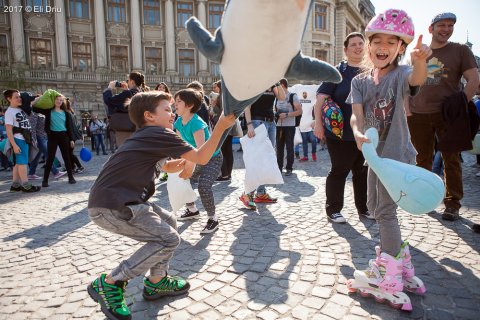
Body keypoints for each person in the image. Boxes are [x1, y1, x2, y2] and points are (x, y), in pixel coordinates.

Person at [86, 91, 235, 320]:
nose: (172, 113)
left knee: (169, 221)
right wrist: (221, 126)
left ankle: (156, 281)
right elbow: (203, 158)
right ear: (149, 116)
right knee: (168, 239)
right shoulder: (157, 133)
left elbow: (170, 167)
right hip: (112, 206)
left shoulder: (147, 136)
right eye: (167, 109)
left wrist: (187, 161)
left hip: (119, 200)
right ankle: (111, 281)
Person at [347, 9, 431, 309]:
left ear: (400, 48)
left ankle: (390, 275)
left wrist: (421, 62)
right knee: (372, 207)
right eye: (377, 40)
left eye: (391, 42)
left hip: (396, 156)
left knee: (384, 212)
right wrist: (357, 133)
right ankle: (401, 261)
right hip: (374, 155)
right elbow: (356, 116)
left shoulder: (401, 74)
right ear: (369, 45)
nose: (383, 46)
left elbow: (416, 77)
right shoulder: (360, 82)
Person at [407, 12, 480, 221]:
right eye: (441, 25)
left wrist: (460, 105)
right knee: (422, 159)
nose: (446, 29)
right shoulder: (418, 52)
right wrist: (407, 108)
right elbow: (407, 82)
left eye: (450, 25)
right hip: (418, 113)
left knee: (451, 159)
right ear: (431, 28)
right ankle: (424, 198)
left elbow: (474, 79)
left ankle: (452, 203)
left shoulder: (460, 50)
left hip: (447, 115)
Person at [315, 32, 372, 223]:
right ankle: (333, 209)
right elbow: (320, 99)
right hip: (340, 134)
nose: (358, 47)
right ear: (346, 49)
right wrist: (318, 124)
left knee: (362, 172)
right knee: (339, 170)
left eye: (361, 44)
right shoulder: (337, 72)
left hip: (366, 133)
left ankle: (364, 209)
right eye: (353, 44)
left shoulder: (372, 71)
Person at [174, 89, 224, 234]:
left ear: (189, 105)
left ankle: (213, 219)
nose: (175, 104)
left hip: (211, 158)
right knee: (183, 180)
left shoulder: (196, 123)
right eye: (175, 101)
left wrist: (188, 163)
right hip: (195, 157)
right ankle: (192, 209)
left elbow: (201, 151)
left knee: (203, 186)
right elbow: (180, 145)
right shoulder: (178, 122)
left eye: (179, 102)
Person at [239, 84, 285, 209]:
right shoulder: (255, 82)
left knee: (266, 160)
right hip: (257, 123)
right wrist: (249, 125)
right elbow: (246, 105)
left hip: (271, 123)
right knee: (256, 160)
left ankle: (260, 193)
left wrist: (277, 81)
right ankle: (247, 194)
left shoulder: (272, 83)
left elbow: (282, 97)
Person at [34, 95, 76, 187]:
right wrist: (39, 98)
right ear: (53, 101)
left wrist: (71, 139)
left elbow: (69, 128)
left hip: (64, 136)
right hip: (53, 136)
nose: (59, 101)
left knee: (66, 157)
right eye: (57, 100)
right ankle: (45, 181)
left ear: (63, 102)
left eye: (61, 100)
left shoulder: (66, 113)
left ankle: (71, 177)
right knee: (50, 158)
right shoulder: (48, 111)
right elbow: (35, 108)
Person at [3, 89, 41, 192]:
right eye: (16, 97)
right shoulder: (9, 112)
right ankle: (26, 185)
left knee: (19, 163)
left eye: (19, 96)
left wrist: (42, 97)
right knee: (23, 163)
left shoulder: (21, 109)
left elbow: (32, 101)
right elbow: (9, 130)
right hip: (19, 139)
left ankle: (15, 185)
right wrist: (14, 145)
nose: (19, 99)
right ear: (9, 99)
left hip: (25, 139)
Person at [103, 72, 146, 146]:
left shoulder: (127, 94)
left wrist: (109, 88)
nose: (127, 82)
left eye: (128, 81)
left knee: (125, 150)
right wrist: (126, 90)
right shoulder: (142, 93)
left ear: (132, 82)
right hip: (137, 128)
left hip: (125, 129)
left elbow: (109, 101)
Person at [275, 78, 302, 176]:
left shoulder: (292, 96)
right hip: (279, 126)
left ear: (282, 86)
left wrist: (286, 115)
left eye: (277, 87)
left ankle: (289, 168)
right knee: (279, 147)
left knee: (289, 147)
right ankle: (279, 167)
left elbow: (300, 111)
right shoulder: (276, 97)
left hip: (289, 126)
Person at [66, 99, 85, 173]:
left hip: (70, 136)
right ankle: (72, 167)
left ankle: (80, 166)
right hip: (72, 135)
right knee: (69, 153)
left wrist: (71, 138)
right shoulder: (71, 112)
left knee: (69, 153)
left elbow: (70, 126)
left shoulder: (67, 113)